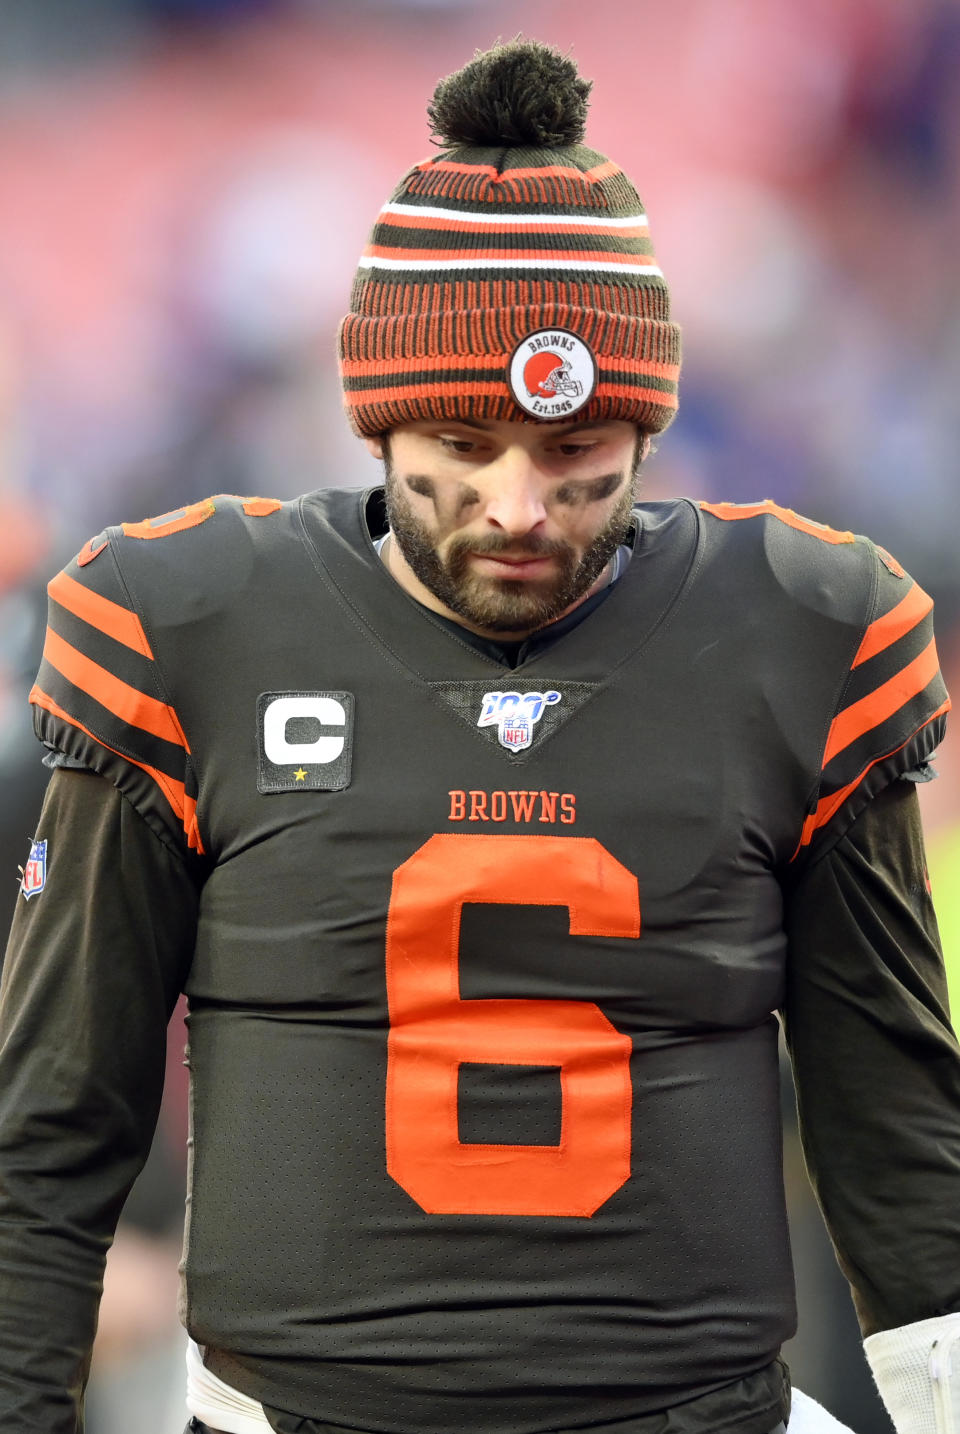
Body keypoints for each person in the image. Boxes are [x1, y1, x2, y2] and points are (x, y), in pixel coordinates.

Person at [0, 37, 957, 1434]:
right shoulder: (187, 625)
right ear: (376, 419)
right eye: (467, 439)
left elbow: (895, 1137)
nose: (519, 503)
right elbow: (53, 1129)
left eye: (573, 455)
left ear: (644, 425)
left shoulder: (802, 628)